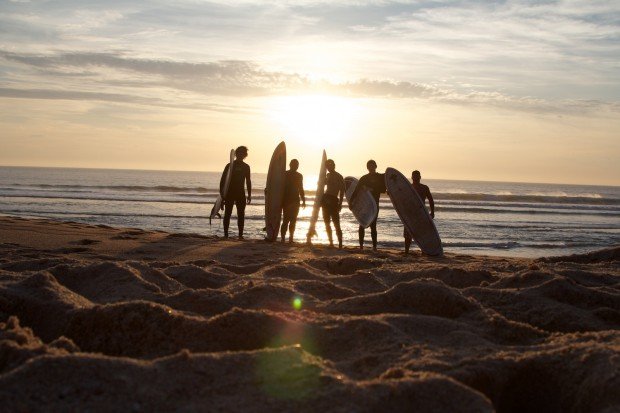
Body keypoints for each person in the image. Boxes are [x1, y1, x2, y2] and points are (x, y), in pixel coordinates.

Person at [351, 159, 385, 251]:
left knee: (373, 226)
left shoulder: (380, 177)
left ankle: (374, 247)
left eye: (372, 165)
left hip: (374, 204)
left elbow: (383, 189)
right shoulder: (364, 178)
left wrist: (372, 189)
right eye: (369, 166)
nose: (370, 167)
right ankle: (361, 246)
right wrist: (351, 202)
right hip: (365, 205)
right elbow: (356, 190)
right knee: (362, 224)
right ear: (367, 167)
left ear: (375, 166)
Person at [220, 146, 251, 239]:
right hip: (229, 193)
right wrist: (222, 195)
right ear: (236, 154)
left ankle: (240, 235)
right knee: (227, 214)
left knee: (241, 214)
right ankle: (226, 235)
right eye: (239, 153)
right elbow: (223, 180)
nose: (241, 155)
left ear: (245, 155)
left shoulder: (246, 167)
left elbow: (248, 181)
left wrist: (249, 194)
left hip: (240, 193)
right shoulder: (229, 165)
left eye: (243, 153)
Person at [404, 170, 435, 253]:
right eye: (414, 176)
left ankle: (424, 250)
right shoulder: (408, 188)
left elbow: (431, 200)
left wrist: (432, 212)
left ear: (420, 177)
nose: (416, 178)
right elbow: (400, 199)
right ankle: (406, 251)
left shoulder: (425, 188)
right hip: (410, 214)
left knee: (422, 233)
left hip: (421, 213)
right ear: (411, 177)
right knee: (408, 233)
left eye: (417, 177)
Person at [280, 159, 306, 242]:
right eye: (294, 164)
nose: (295, 166)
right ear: (290, 165)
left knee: (293, 220)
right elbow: (278, 185)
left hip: (295, 200)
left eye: (296, 165)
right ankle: (283, 238)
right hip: (286, 200)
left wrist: (303, 200)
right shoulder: (285, 174)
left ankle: (290, 238)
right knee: (286, 220)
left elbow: (301, 188)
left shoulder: (299, 176)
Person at [322, 159, 345, 248]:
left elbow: (342, 190)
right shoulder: (327, 175)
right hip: (325, 199)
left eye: (330, 165)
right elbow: (322, 185)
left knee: (336, 223)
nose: (328, 167)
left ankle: (340, 243)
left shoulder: (339, 176)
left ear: (334, 165)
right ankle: (331, 243)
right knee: (327, 222)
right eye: (327, 166)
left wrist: (340, 203)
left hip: (333, 200)